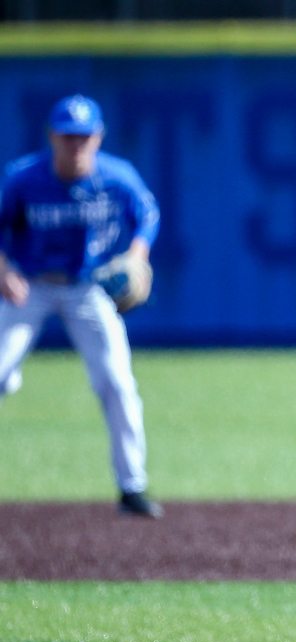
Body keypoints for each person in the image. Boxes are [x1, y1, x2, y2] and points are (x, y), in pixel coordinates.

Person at [0, 94, 164, 518]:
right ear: (52, 136)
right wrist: (3, 271)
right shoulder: (23, 178)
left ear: (99, 137)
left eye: (84, 137)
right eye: (68, 137)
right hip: (29, 285)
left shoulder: (116, 176)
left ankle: (132, 487)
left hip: (86, 287)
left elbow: (148, 212)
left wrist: (139, 253)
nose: (76, 145)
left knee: (117, 383)